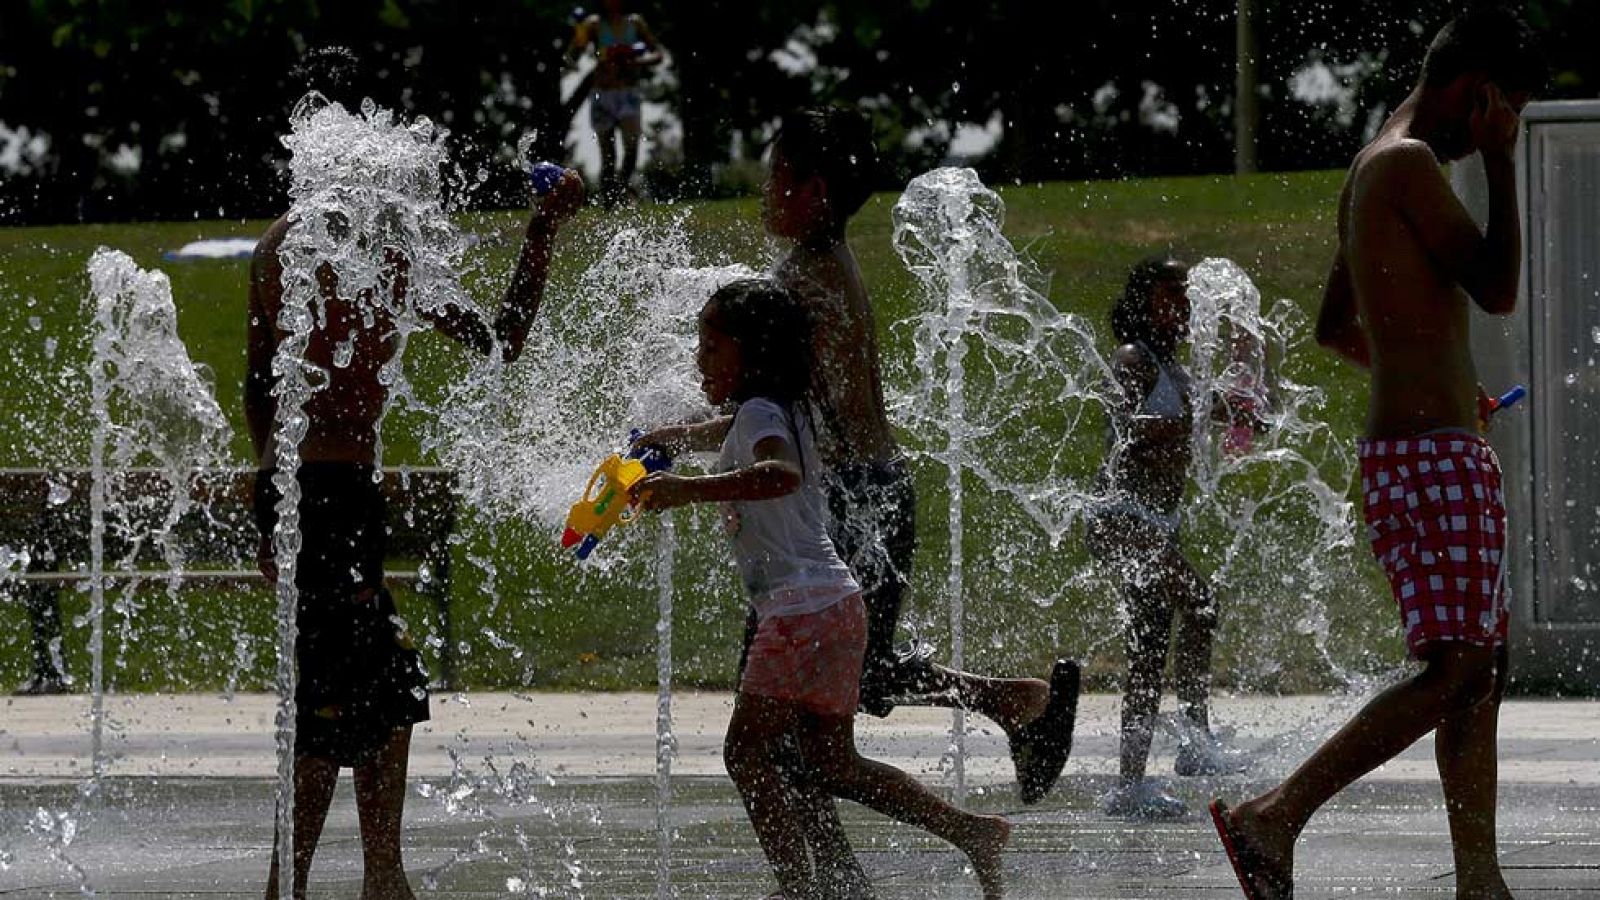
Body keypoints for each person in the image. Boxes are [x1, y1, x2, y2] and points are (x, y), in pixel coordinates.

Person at [1209, 7, 1542, 899]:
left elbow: (1335, 327)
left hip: (1424, 447)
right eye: (1503, 112)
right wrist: (1505, 165)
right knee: (1459, 668)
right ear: (1480, 96)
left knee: (1479, 669)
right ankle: (1272, 817)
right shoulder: (1409, 164)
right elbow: (1499, 289)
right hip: (1432, 459)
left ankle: (1480, 879)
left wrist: (1433, 372)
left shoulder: (1370, 165)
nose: (1496, 135)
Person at [246, 90, 585, 900]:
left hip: (317, 490)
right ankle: (341, 880)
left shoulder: (281, 248)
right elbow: (501, 340)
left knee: (364, 693)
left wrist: (269, 501)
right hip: (324, 492)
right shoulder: (361, 247)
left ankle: (360, 876)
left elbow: (256, 386)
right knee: (356, 695)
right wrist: (540, 232)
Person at [633, 278, 1012, 900]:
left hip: (796, 613)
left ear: (749, 353)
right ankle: (970, 831)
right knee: (831, 762)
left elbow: (776, 473)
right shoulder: (782, 406)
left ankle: (799, 888)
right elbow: (737, 431)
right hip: (837, 605)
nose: (698, 359)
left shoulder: (763, 416)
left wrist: (685, 491)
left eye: (711, 345)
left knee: (747, 755)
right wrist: (676, 437)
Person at [1086, 257, 1249, 820]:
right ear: (1142, 301)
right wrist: (1196, 417)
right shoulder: (1132, 359)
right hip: (1121, 518)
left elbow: (1249, 414)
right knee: (1200, 603)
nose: (1182, 305)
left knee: (1151, 644)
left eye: (1187, 295)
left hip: (1154, 525)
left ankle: (1133, 781)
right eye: (1170, 294)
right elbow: (1129, 429)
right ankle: (1194, 745)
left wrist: (1250, 358)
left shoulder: (1178, 374)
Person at [565, 0, 663, 206]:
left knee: (632, 145)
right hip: (603, 92)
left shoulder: (635, 23)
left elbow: (658, 54)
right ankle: (608, 200)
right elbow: (572, 55)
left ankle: (622, 188)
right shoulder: (593, 25)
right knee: (608, 154)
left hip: (628, 92)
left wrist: (635, 61)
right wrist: (590, 51)